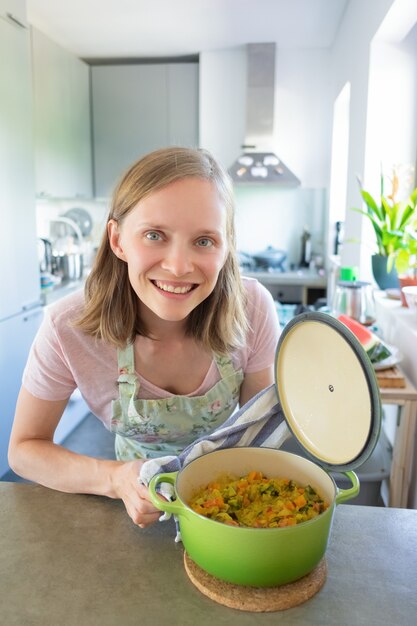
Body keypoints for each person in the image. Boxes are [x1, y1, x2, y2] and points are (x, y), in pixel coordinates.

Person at [8, 146, 280, 528]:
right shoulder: (66, 326)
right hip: (128, 502)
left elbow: (261, 430)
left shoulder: (252, 308)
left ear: (226, 248)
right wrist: (115, 478)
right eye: (154, 235)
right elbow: (24, 451)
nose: (179, 266)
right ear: (118, 240)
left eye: (204, 241)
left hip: (226, 494)